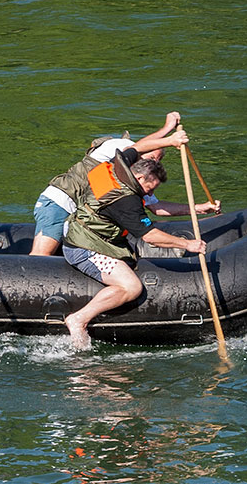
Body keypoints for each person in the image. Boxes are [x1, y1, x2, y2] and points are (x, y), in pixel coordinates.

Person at [62, 129, 207, 349]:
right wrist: (187, 244)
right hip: (84, 247)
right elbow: (150, 237)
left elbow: (137, 148)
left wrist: (171, 141)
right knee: (131, 287)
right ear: (138, 178)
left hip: (96, 233)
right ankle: (79, 319)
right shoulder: (125, 201)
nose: (150, 194)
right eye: (150, 188)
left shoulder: (117, 165)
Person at [29, 112, 219, 256]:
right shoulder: (115, 147)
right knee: (41, 255)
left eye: (158, 161)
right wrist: (168, 133)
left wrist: (200, 208)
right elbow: (133, 148)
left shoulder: (137, 178)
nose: (154, 163)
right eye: (152, 156)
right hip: (61, 201)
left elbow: (157, 207)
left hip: (81, 218)